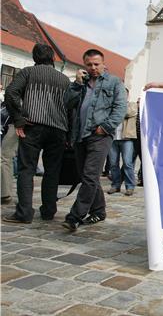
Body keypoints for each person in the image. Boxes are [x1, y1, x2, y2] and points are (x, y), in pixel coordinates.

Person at [2, 44, 71, 223]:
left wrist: (18, 118)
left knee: (27, 170)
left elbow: (11, 93)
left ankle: (24, 213)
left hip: (33, 126)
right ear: (52, 58)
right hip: (58, 129)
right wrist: (68, 134)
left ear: (35, 58)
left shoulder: (28, 73)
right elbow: (72, 108)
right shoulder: (64, 80)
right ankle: (48, 211)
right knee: (52, 171)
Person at [62, 49, 127, 232]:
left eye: (96, 64)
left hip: (100, 135)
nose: (93, 68)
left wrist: (105, 127)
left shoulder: (114, 82)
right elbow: (68, 103)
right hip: (80, 135)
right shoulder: (81, 84)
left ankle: (75, 216)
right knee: (87, 176)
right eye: (89, 64)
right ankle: (99, 211)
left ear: (103, 64)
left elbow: (120, 108)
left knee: (90, 176)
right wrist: (76, 84)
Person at [108, 93, 138, 196]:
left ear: (127, 95)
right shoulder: (111, 105)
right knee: (113, 163)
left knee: (127, 163)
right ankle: (115, 185)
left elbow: (130, 113)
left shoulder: (132, 105)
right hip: (113, 138)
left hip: (127, 138)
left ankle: (130, 186)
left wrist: (118, 108)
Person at [1, 86, 18, 205]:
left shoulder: (17, 89)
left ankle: (5, 193)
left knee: (5, 158)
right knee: (28, 165)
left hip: (15, 124)